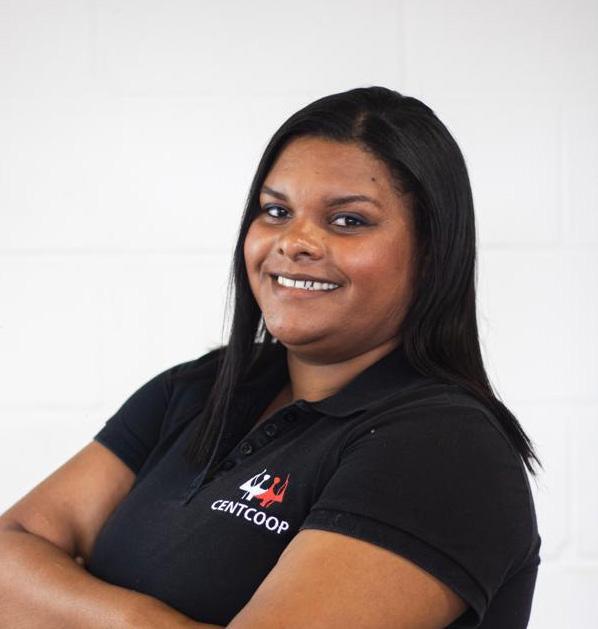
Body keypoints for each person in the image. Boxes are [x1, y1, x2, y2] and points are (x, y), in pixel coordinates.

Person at [0, 86, 542, 628]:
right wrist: (137, 621)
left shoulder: (443, 448)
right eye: (276, 211)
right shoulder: (199, 389)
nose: (294, 241)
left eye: (348, 220)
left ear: (432, 251)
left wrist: (59, 601)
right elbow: (10, 550)